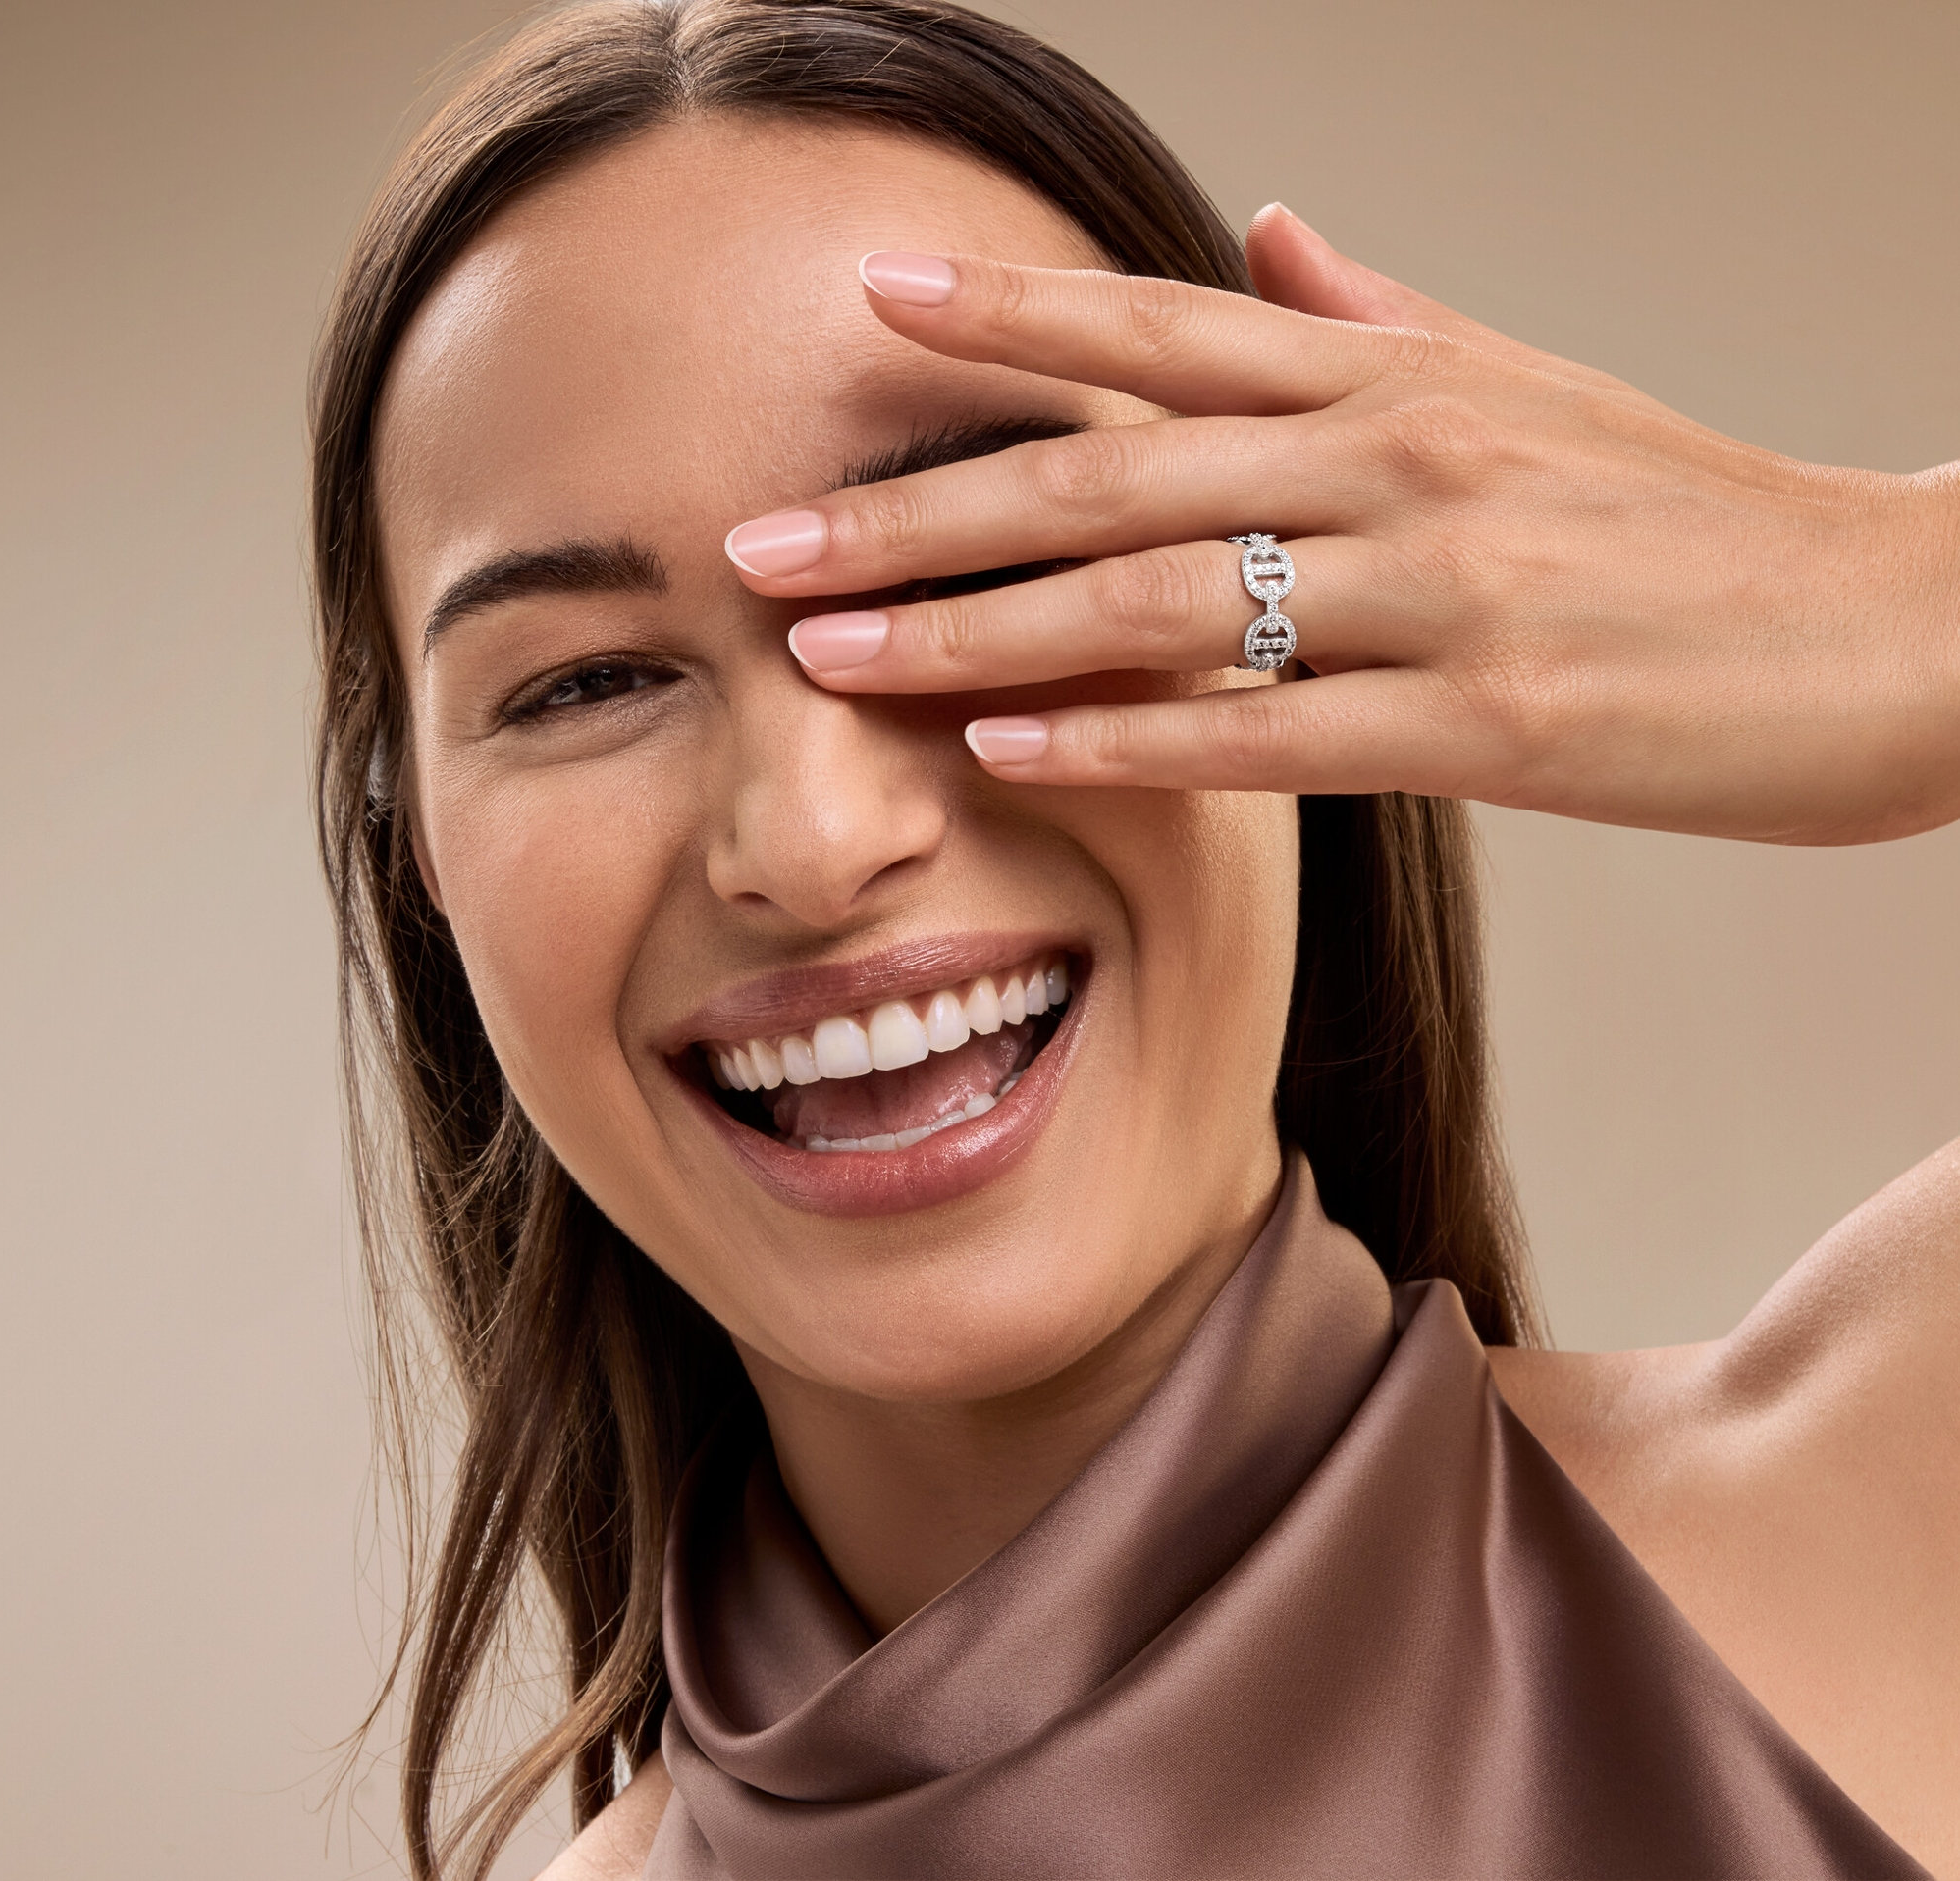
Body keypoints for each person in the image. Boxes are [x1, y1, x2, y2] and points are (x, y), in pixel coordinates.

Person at [307, 1, 1960, 1874]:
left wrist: (1899, 595)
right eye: (585, 682)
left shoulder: (1898, 1513)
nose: (815, 841)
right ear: (417, 852)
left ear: (1305, 609)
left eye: (997, 564)